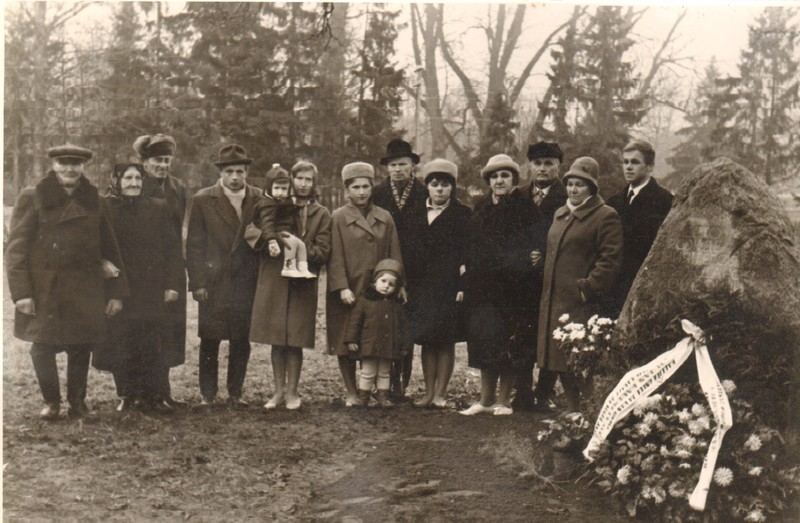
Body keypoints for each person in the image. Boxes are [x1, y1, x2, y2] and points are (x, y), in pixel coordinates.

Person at [6, 145, 129, 419]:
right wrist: (22, 293)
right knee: (42, 347)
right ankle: (51, 402)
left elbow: (111, 248)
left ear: (83, 166)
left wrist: (117, 292)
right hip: (45, 288)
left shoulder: (96, 200)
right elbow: (16, 249)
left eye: (76, 163)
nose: (70, 169)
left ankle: (77, 402)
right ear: (54, 165)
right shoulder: (32, 196)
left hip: (84, 289)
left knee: (80, 345)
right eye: (64, 163)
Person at [461, 154, 547, 416]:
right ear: (489, 181)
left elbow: (537, 242)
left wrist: (534, 255)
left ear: (513, 180)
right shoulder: (481, 206)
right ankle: (485, 400)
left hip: (514, 288)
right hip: (484, 287)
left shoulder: (526, 208)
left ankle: (503, 401)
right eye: (495, 176)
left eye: (505, 176)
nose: (499, 181)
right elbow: (472, 243)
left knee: (508, 344)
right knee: (484, 341)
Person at [537, 157, 623, 413]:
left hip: (579, 303)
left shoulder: (605, 216)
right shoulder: (560, 214)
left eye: (580, 185)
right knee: (559, 359)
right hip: (554, 301)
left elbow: (610, 259)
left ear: (592, 188)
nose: (573, 190)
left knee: (579, 360)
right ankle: (575, 413)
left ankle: (590, 413)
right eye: (570, 184)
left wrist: (588, 288)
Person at [98, 163, 184, 412]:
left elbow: (172, 250)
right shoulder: (106, 208)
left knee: (151, 340)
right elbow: (99, 245)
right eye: (128, 178)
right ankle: (127, 394)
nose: (134, 183)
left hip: (152, 287)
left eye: (138, 178)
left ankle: (154, 395)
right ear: (117, 180)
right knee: (122, 339)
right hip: (120, 286)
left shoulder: (158, 207)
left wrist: (172, 284)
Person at [249, 161, 331, 411]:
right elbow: (253, 229)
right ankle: (278, 392)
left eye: (309, 180)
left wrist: (303, 250)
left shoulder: (322, 213)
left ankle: (293, 392)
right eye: (300, 179)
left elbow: (324, 250)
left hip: (303, 279)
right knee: (277, 337)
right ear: (291, 180)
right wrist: (270, 240)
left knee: (295, 337)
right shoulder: (276, 203)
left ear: (314, 183)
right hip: (275, 275)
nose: (304, 184)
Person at [186, 144, 261, 407]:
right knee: (210, 339)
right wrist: (197, 282)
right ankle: (208, 394)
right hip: (214, 282)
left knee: (241, 338)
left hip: (246, 281)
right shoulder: (203, 199)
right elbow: (194, 244)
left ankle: (235, 393)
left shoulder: (259, 198)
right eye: (229, 171)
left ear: (247, 172)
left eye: (240, 171)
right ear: (220, 172)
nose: (235, 177)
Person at [327, 162, 403, 407]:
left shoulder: (385, 217)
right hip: (350, 290)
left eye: (366, 186)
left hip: (380, 292)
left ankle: (380, 391)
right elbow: (335, 255)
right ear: (347, 190)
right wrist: (341, 287)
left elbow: (395, 253)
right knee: (346, 339)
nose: (361, 192)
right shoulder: (338, 217)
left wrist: (398, 284)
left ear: (372, 188)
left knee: (379, 340)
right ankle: (353, 391)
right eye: (355, 187)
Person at [403, 159, 472, 408]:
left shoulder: (463, 215)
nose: (439, 189)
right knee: (426, 339)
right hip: (421, 285)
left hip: (449, 286)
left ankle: (441, 393)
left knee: (445, 339)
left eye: (445, 185)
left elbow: (468, 252)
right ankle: (428, 392)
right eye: (434, 184)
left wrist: (464, 285)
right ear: (428, 187)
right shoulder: (415, 214)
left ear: (452, 188)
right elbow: (408, 250)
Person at [133, 133, 189, 409]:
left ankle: (161, 392)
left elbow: (177, 233)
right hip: (139, 273)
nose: (162, 165)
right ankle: (135, 394)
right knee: (139, 331)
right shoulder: (133, 185)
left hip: (170, 268)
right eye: (157, 160)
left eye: (167, 160)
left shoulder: (178, 188)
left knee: (166, 332)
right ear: (145, 162)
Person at [372, 138, 427, 402]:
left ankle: (401, 383)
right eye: (393, 165)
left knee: (407, 329)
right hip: (384, 267)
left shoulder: (424, 192)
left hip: (416, 269)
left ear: (413, 165)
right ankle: (381, 382)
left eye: (403, 164)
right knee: (384, 325)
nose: (398, 170)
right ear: (387, 168)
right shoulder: (378, 192)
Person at [519, 141, 569, 412]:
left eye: (549, 163)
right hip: (523, 278)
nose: (542, 169)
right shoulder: (520, 195)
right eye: (537, 163)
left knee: (551, 332)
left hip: (554, 276)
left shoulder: (568, 195)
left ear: (558, 166)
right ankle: (523, 392)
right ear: (529, 165)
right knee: (524, 331)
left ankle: (545, 392)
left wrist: (544, 255)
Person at [605, 140, 673, 317]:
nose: (628, 167)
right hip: (613, 286)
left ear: (650, 167)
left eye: (635, 162)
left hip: (643, 286)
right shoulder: (613, 202)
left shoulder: (664, 201)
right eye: (625, 162)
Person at [344, 259, 409, 408]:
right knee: (367, 371)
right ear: (374, 282)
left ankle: (382, 397)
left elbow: (402, 327)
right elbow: (355, 322)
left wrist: (404, 345)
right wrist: (351, 340)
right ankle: (363, 397)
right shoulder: (365, 301)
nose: (386, 286)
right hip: (369, 344)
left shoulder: (395, 305)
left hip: (388, 345)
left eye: (391, 284)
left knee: (384, 372)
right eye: (383, 281)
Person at [254, 164, 316, 279]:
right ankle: (288, 267)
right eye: (276, 188)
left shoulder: (284, 200)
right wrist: (271, 240)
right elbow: (267, 222)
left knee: (301, 245)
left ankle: (303, 268)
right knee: (291, 243)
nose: (280, 192)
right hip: (275, 233)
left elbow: (288, 210)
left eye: (284, 189)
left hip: (285, 231)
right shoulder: (268, 204)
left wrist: (295, 206)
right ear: (269, 188)